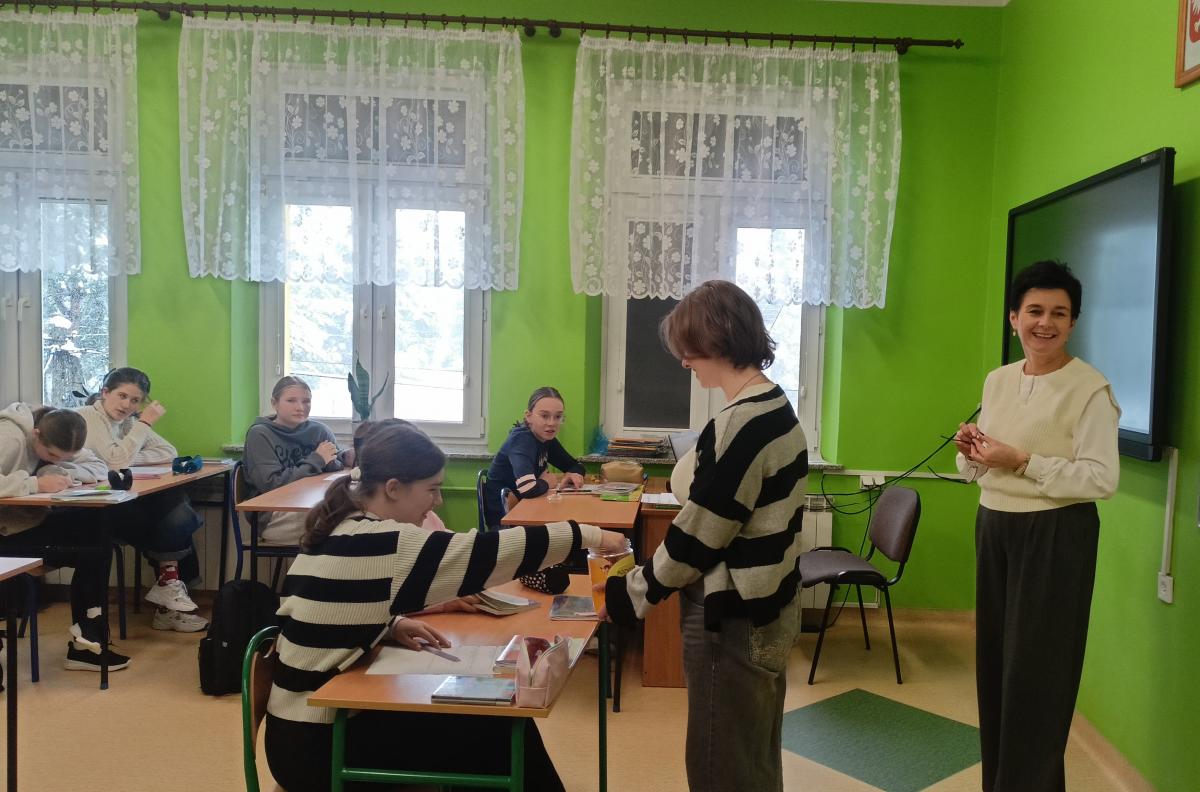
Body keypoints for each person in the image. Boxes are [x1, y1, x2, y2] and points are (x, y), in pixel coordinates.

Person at [263, 421, 628, 792]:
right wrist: (587, 534)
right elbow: (486, 553)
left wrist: (390, 625)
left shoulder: (342, 527)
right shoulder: (381, 541)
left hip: (296, 735)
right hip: (316, 749)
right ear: (393, 488)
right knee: (499, 730)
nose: (437, 501)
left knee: (488, 724)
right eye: (431, 489)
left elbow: (326, 610)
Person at [602, 280, 809, 792]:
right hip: (770, 607)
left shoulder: (742, 423)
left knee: (722, 767)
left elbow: (699, 535)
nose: (683, 362)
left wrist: (631, 594)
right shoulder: (775, 406)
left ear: (716, 341)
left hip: (734, 619)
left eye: (688, 349)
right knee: (754, 758)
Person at [954, 260, 1119, 792]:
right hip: (994, 526)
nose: (1045, 323)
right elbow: (981, 466)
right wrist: (972, 453)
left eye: (1059, 313)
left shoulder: (1090, 389)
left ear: (1073, 323)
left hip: (1055, 535)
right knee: (996, 670)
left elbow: (1101, 479)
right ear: (1013, 318)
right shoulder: (998, 380)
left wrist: (1023, 462)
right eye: (1034, 311)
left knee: (1038, 679)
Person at [0, 404, 132, 671]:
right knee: (91, 541)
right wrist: (34, 483)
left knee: (96, 532)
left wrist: (60, 472)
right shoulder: (9, 438)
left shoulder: (60, 435)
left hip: (26, 523)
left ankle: (87, 639)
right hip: (5, 533)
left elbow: (98, 466)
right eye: (51, 455)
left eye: (64, 457)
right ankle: (87, 638)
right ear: (36, 434)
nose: (56, 459)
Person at [77, 367, 207, 632]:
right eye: (122, 396)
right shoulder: (88, 416)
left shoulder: (125, 423)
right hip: (91, 510)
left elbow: (168, 451)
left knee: (172, 506)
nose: (127, 405)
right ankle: (169, 598)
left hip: (120, 499)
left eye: (135, 400)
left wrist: (127, 457)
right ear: (104, 393)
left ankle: (169, 591)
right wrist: (144, 424)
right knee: (175, 519)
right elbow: (116, 461)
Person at [242, 376, 346, 546]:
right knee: (343, 523)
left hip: (308, 502)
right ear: (274, 403)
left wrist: (343, 457)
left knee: (349, 514)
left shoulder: (320, 430)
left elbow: (334, 465)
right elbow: (272, 484)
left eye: (306, 401)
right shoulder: (259, 434)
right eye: (291, 401)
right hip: (272, 514)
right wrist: (317, 459)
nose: (300, 407)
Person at [483, 387, 586, 530]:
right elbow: (528, 489)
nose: (552, 423)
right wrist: (547, 481)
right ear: (528, 416)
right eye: (544, 416)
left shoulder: (546, 438)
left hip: (528, 509)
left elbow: (576, 466)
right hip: (505, 521)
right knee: (574, 531)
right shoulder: (521, 440)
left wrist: (572, 474)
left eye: (558, 417)